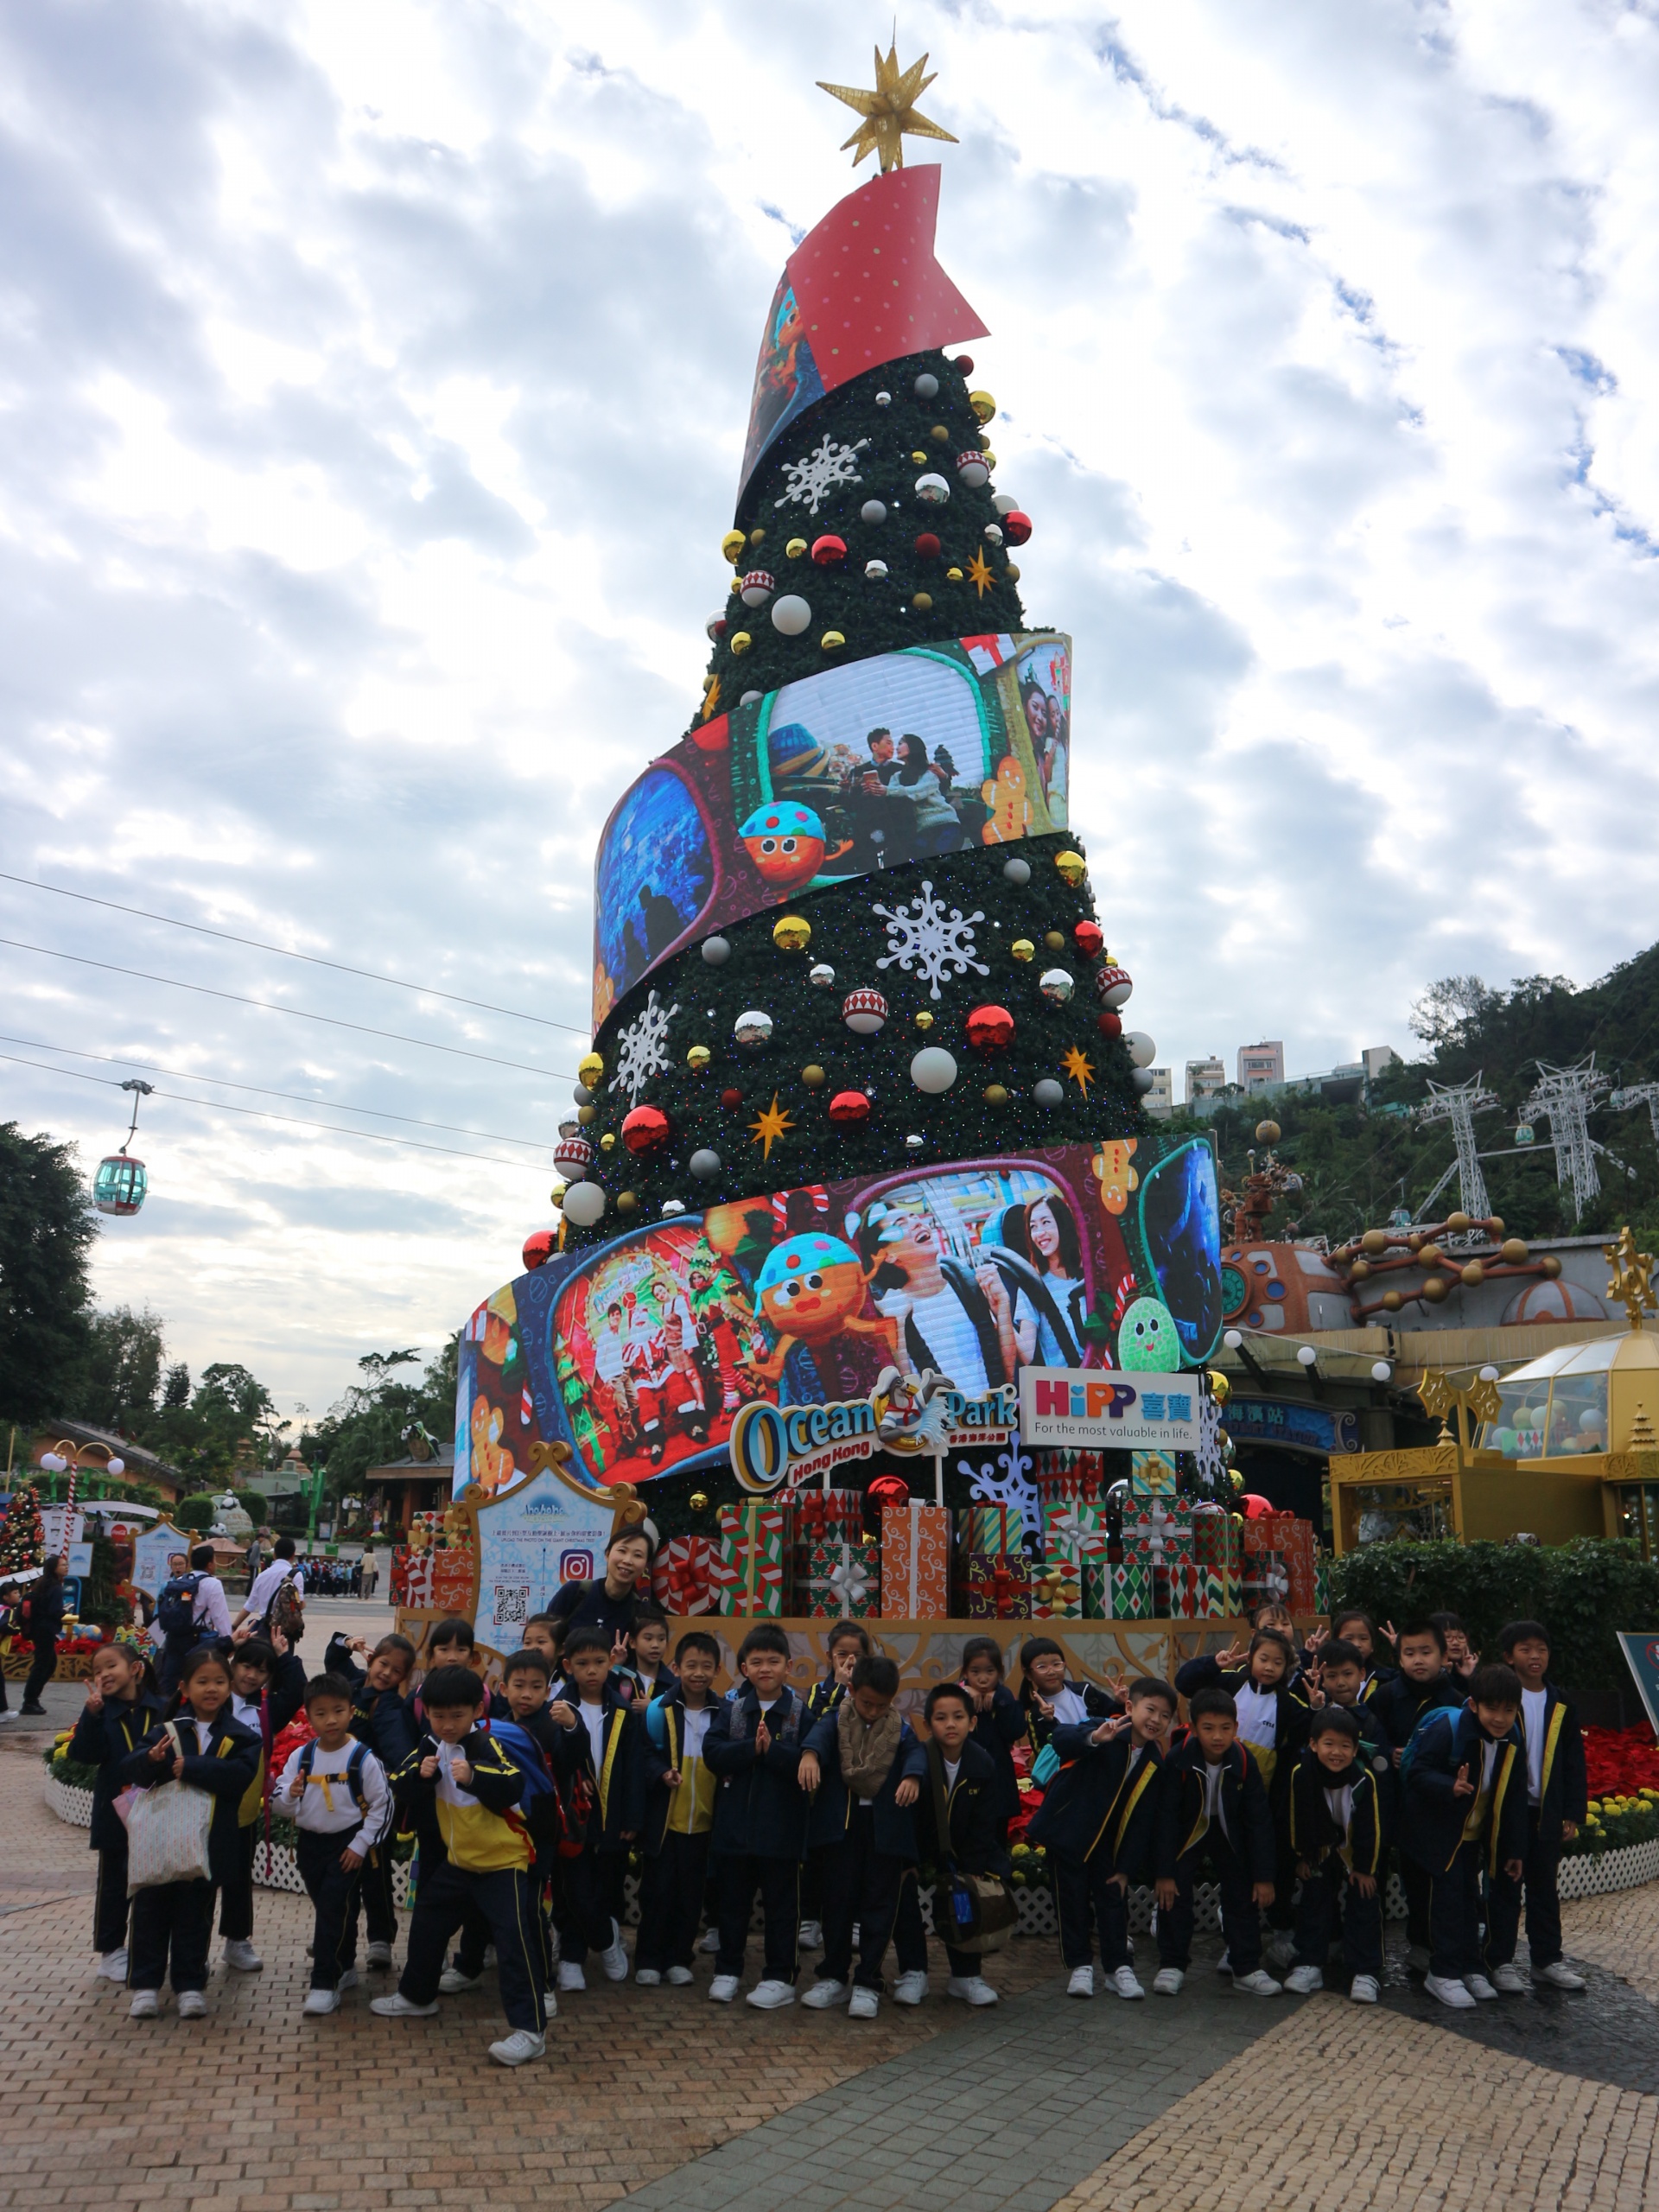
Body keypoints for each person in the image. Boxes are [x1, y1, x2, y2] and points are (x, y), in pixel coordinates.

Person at [371, 1663, 550, 2068]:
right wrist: (420, 1775)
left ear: (477, 1711)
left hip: (503, 1863)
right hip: (460, 1863)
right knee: (428, 1921)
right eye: (438, 1716)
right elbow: (398, 1781)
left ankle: (531, 2030)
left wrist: (473, 1776)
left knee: (513, 1941)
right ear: (426, 1713)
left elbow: (512, 1781)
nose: (448, 1725)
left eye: (457, 1715)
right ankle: (417, 1996)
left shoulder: (485, 1744)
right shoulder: (429, 1744)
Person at [119, 1644, 261, 2019]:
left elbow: (240, 1778)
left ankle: (190, 1986)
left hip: (206, 1846)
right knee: (149, 1916)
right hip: (160, 1842)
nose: (211, 1689)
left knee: (195, 1918)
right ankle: (145, 1986)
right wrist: (149, 1759)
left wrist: (193, 1767)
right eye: (202, 1681)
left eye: (219, 1681)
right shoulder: (165, 1731)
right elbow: (131, 1770)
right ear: (184, 1687)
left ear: (230, 1686)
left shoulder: (241, 1736)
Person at [1028, 1676, 1175, 1999]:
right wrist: (1094, 1737)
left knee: (1113, 1904)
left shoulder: (1154, 1761)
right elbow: (1061, 1738)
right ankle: (1080, 1966)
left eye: (1165, 1716)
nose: (1156, 1720)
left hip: (1109, 1845)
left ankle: (1117, 1969)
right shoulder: (1104, 1727)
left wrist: (1126, 1868)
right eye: (1150, 1710)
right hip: (1068, 1834)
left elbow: (1142, 1821)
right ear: (1130, 1707)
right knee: (1071, 1904)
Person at [1400, 1661, 1529, 2010]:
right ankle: (1442, 1972)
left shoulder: (1513, 1739)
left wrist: (1514, 1850)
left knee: (1469, 1901)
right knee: (1447, 1902)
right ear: (1473, 1705)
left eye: (1508, 1710)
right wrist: (1449, 1786)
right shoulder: (1450, 1729)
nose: (1500, 1718)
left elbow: (1514, 1798)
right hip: (1437, 1834)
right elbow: (1418, 1772)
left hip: (1471, 1836)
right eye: (1491, 1708)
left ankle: (1471, 1967)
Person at [798, 1654, 921, 2017]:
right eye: (867, 1703)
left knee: (880, 1908)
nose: (873, 1711)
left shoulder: (900, 1728)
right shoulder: (835, 1720)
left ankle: (868, 1981)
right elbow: (817, 1738)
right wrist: (809, 1755)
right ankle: (833, 1977)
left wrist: (912, 1776)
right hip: (841, 1831)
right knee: (836, 1904)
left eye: (882, 1705)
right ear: (851, 1690)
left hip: (884, 1833)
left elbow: (915, 1753)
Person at [271, 1674, 392, 2014]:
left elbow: (382, 1805)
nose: (331, 1720)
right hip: (310, 1845)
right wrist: (290, 1794)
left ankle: (324, 1983)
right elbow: (279, 1803)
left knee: (331, 1910)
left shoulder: (363, 1758)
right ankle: (346, 1965)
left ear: (351, 1711)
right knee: (337, 1909)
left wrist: (360, 1845)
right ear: (309, 1717)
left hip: (347, 1845)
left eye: (338, 1711)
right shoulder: (301, 1756)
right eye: (321, 1713)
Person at [704, 1621, 810, 2007]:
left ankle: (781, 1978)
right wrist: (752, 1748)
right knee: (732, 1907)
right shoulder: (732, 1710)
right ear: (744, 1668)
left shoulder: (799, 1714)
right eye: (757, 1662)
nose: (765, 1668)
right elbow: (713, 1753)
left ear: (788, 1666)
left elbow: (811, 1762)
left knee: (782, 1909)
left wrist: (773, 1752)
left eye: (773, 1661)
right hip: (735, 1833)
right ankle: (727, 1971)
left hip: (782, 1834)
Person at [1153, 1685, 1280, 1997]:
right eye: (1208, 1728)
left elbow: (1258, 1822)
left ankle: (1245, 1967)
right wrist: (1164, 1872)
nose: (1218, 1736)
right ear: (1194, 1728)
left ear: (1236, 1727)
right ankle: (1172, 1964)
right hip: (1188, 1832)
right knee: (1173, 1893)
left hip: (1229, 1832)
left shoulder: (1244, 1760)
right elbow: (1165, 1818)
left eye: (1225, 1728)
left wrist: (1263, 1876)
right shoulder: (1178, 1758)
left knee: (1242, 1893)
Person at [1484, 1620, 1588, 1993]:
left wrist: (1572, 1811)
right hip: (1508, 1811)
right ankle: (1498, 1961)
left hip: (1546, 1812)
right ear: (1508, 1656)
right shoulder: (1501, 1700)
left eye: (1541, 1649)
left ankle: (1546, 1960)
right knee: (1506, 1886)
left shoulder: (1561, 1702)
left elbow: (1573, 1760)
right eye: (1525, 1649)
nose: (1535, 1656)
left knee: (1544, 1888)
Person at [898, 1680, 1010, 2007]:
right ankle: (913, 1971)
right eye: (941, 1718)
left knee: (964, 1899)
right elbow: (907, 1818)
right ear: (927, 1724)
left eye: (958, 1717)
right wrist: (909, 1862)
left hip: (962, 1852)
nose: (950, 1724)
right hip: (921, 1849)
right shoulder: (918, 1760)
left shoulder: (982, 1763)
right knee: (902, 1891)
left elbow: (985, 1824)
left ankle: (965, 1975)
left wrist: (973, 1868)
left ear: (972, 1722)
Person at [547, 1624, 642, 1991]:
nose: (591, 1671)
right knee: (574, 1893)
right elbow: (555, 1759)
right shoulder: (558, 1708)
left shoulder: (622, 1709)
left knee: (603, 1888)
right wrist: (575, 1777)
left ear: (611, 1663)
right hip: (572, 1818)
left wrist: (632, 1816)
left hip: (612, 1814)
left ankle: (593, 1944)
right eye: (582, 1663)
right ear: (568, 1666)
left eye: (599, 1662)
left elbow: (633, 1767)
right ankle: (586, 1951)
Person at [322, 1630, 420, 1967]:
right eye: (383, 1664)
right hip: (338, 1800)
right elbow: (333, 1657)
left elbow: (399, 1752)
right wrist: (348, 1642)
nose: (387, 1674)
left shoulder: (388, 1705)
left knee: (374, 1876)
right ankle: (335, 1935)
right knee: (338, 1873)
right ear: (372, 1659)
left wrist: (393, 1783)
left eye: (396, 1671)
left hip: (371, 1806)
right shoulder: (351, 1683)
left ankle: (380, 1939)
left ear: (403, 1678)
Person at [68, 1639, 164, 1980]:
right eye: (97, 1670)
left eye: (111, 1666)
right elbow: (85, 1754)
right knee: (114, 1884)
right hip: (115, 1814)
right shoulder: (102, 1712)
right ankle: (111, 1952)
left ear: (136, 1669)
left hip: (157, 1811)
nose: (103, 1674)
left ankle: (151, 1949)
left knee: (156, 1885)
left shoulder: (161, 1709)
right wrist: (91, 1715)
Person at [215, 1630, 307, 1974]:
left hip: (243, 1812)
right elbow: (191, 1662)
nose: (252, 1675)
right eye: (246, 1665)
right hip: (203, 1809)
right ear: (233, 1664)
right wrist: (228, 1643)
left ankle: (237, 1941)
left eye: (262, 1670)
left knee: (239, 1879)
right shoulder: (212, 1697)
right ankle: (190, 1949)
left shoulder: (267, 1709)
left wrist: (284, 1656)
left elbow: (297, 1689)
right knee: (197, 1882)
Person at [1281, 1706, 1384, 2002]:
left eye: (1345, 1746)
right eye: (1328, 1744)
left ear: (1355, 1749)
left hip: (1355, 1848)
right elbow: (1295, 1818)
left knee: (1364, 1900)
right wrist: (1303, 1857)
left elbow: (1371, 1827)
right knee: (1314, 1899)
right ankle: (1310, 1963)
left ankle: (1365, 1970)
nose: (1336, 1752)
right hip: (1320, 1845)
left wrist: (1364, 1869)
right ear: (1313, 1744)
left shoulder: (1363, 1778)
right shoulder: (1302, 1774)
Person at [636, 1630, 721, 1986]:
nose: (698, 1673)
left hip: (703, 1823)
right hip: (665, 1822)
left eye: (706, 1666)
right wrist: (661, 1773)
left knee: (690, 1896)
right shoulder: (660, 1710)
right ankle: (648, 1959)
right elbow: (643, 1754)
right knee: (657, 1892)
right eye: (691, 1665)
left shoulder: (724, 1713)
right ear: (676, 1668)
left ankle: (679, 1958)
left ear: (717, 1670)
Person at [798, 1622, 872, 1948]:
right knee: (817, 1856)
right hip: (824, 1787)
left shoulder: (872, 1691)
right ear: (829, 1656)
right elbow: (817, 1725)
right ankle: (809, 1920)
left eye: (858, 1655)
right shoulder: (820, 1690)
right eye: (843, 1654)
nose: (850, 1661)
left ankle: (856, 1921)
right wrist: (840, 1689)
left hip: (859, 1787)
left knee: (857, 1860)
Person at [1004, 1195, 1089, 1368]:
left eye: (1046, 1223)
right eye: (1033, 1227)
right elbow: (1027, 1354)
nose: (1039, 1233)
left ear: (1062, 1224)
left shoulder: (1089, 1273)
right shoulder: (1032, 1287)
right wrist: (1000, 1310)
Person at [545, 1527, 654, 1660]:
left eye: (637, 1555)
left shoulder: (639, 1613)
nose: (627, 1560)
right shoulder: (574, 1592)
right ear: (607, 1554)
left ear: (645, 1566)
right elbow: (546, 1639)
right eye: (622, 1551)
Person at [957, 1636, 1027, 1841]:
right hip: (966, 1777)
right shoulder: (956, 1696)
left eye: (990, 1671)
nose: (983, 1679)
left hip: (998, 1780)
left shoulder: (1004, 1697)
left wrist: (1000, 1700)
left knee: (997, 1838)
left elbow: (1016, 1731)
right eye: (975, 1672)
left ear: (1000, 1671)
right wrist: (963, 1694)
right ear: (965, 1672)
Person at [1015, 1636, 1116, 1755]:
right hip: (1070, 1766)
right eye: (1042, 1667)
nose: (1051, 1671)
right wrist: (1048, 1722)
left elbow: (1115, 1717)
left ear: (1064, 1665)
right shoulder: (1037, 1714)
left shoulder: (1085, 1691)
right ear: (1028, 1674)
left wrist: (1120, 1702)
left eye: (1056, 1664)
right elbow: (1044, 1755)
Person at [19, 1554, 69, 1714]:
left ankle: (32, 1698)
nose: (66, 1567)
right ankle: (30, 1701)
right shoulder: (55, 1587)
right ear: (54, 1568)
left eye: (66, 1564)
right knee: (43, 1665)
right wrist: (64, 1611)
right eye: (63, 1565)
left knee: (49, 1663)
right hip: (45, 1630)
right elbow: (54, 1611)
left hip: (38, 1629)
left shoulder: (43, 1584)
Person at [237, 1535, 304, 1641]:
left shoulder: (262, 1576)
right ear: (293, 1555)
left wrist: (234, 1625)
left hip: (266, 1628)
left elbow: (250, 1605)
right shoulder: (295, 1575)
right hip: (285, 1631)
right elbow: (299, 1604)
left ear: (274, 1555)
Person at [620, 1603, 677, 1707]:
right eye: (648, 1638)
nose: (655, 1645)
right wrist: (615, 1667)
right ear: (632, 1642)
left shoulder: (673, 1683)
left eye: (661, 1639)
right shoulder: (622, 1677)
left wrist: (653, 1709)